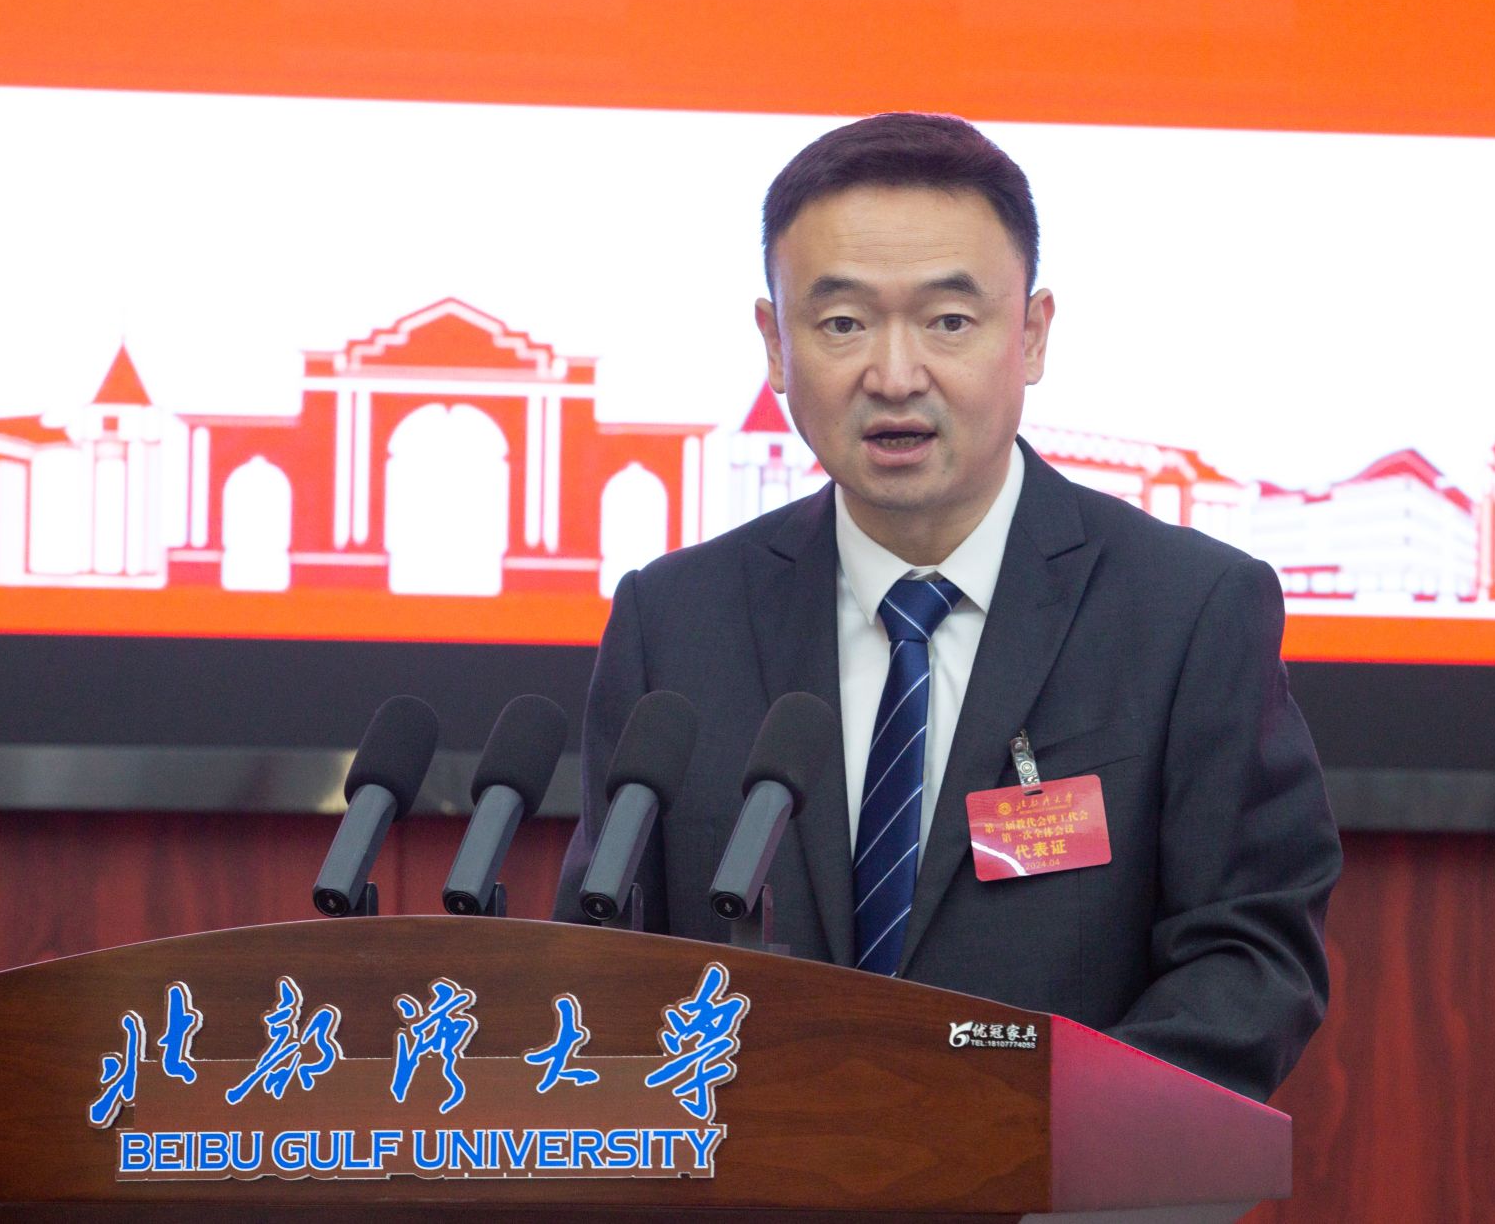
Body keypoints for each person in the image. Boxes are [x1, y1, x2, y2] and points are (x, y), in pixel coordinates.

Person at [554, 112, 1340, 1103]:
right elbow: (604, 958)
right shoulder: (673, 621)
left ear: (1032, 333)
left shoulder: (1186, 612)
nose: (894, 375)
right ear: (774, 342)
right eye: (842, 323)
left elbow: (1248, 963)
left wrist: (1034, 1145)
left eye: (948, 321)